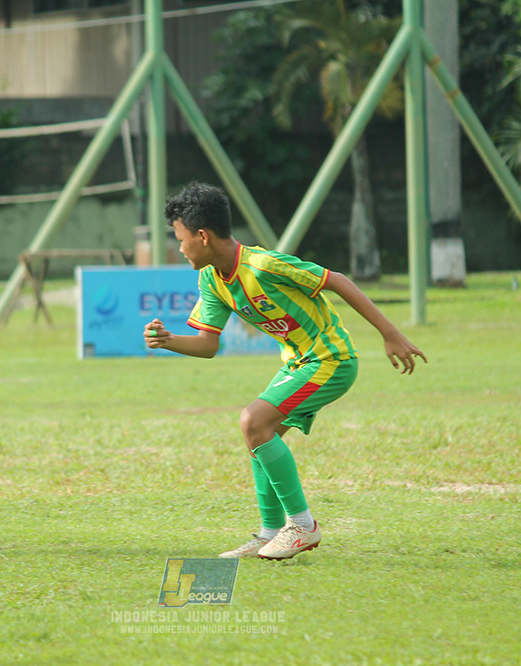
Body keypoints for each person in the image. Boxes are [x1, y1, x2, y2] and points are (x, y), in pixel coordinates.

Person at [144, 182, 426, 560]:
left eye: (180, 239)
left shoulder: (263, 265)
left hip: (330, 360)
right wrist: (168, 340)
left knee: (253, 422)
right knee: (262, 433)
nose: (179, 249)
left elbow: (337, 281)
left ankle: (303, 527)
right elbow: (209, 345)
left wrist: (390, 334)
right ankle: (271, 531)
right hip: (298, 364)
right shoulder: (211, 278)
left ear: (202, 236)